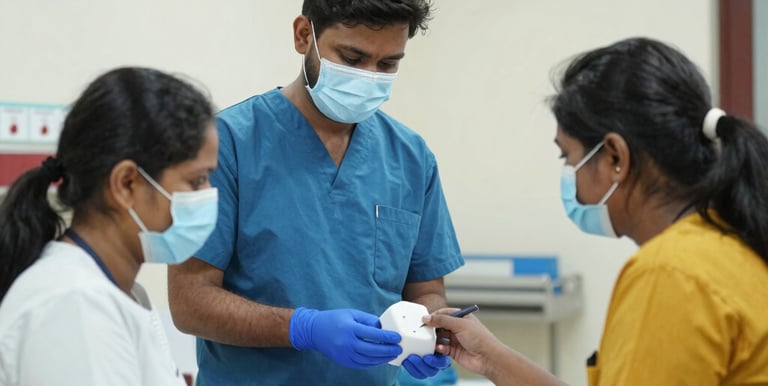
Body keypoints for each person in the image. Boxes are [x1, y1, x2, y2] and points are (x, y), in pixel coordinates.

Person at [422, 37, 768, 385]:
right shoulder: (733, 239)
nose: (569, 177)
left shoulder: (671, 272)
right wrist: (491, 360)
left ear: (615, 157)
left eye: (568, 156)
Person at [166, 0, 464, 385]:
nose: (370, 77)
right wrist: (302, 327)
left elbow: (427, 291)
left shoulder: (410, 157)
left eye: (388, 64)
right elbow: (190, 303)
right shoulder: (227, 145)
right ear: (304, 35)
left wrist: (430, 334)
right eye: (352, 58)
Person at [0, 67, 218, 386]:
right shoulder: (74, 306)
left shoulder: (123, 293)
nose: (209, 196)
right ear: (126, 184)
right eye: (196, 180)